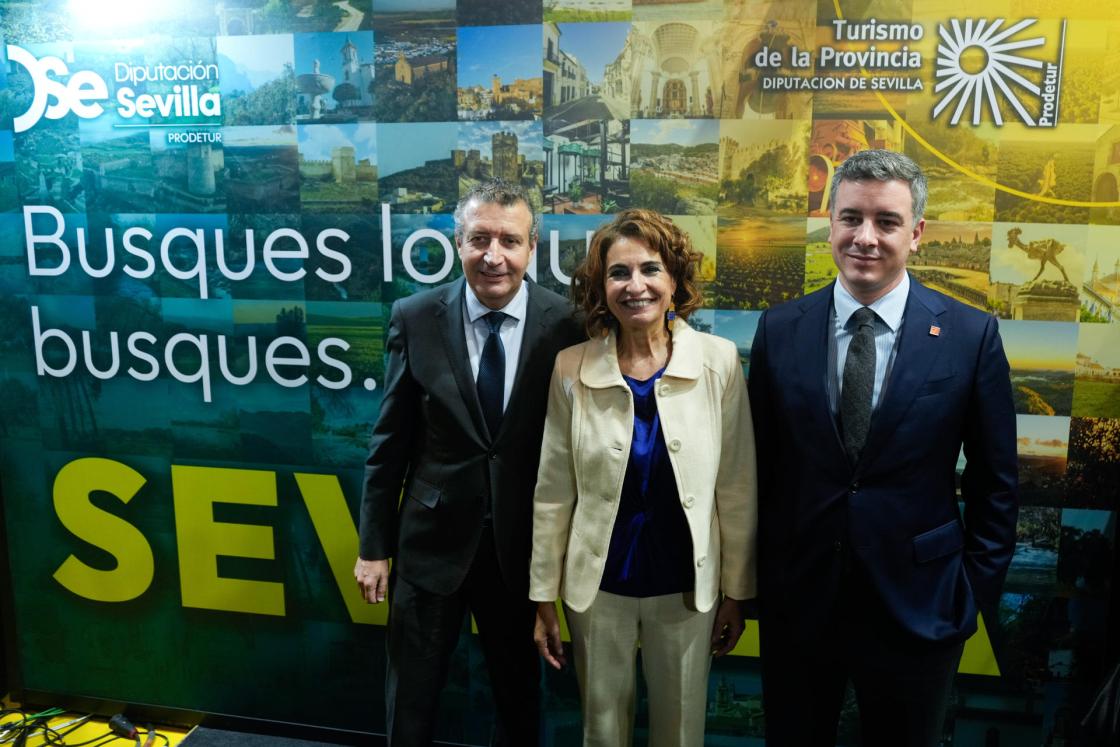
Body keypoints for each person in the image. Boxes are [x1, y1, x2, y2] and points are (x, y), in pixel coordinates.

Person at [748, 149, 1019, 747]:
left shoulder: (971, 336)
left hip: (920, 608)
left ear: (916, 233)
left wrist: (970, 597)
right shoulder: (779, 328)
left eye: (887, 222)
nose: (865, 238)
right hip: (801, 602)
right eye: (850, 218)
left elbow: (995, 485)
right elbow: (760, 470)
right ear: (830, 224)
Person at [354, 179, 583, 747]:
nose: (493, 255)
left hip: (520, 553)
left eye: (509, 239)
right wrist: (372, 547)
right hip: (429, 548)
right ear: (459, 243)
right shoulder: (415, 317)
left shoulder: (568, 326)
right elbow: (390, 442)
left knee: (518, 700)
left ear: (533, 247)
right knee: (412, 699)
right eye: (479, 238)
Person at [530, 209, 757, 747]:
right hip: (597, 586)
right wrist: (543, 593)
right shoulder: (571, 367)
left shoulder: (719, 361)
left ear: (675, 280)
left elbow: (738, 485)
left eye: (650, 270)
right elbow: (553, 491)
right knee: (601, 729)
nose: (636, 286)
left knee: (680, 732)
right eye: (618, 273)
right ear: (600, 287)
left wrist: (738, 593)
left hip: (687, 585)